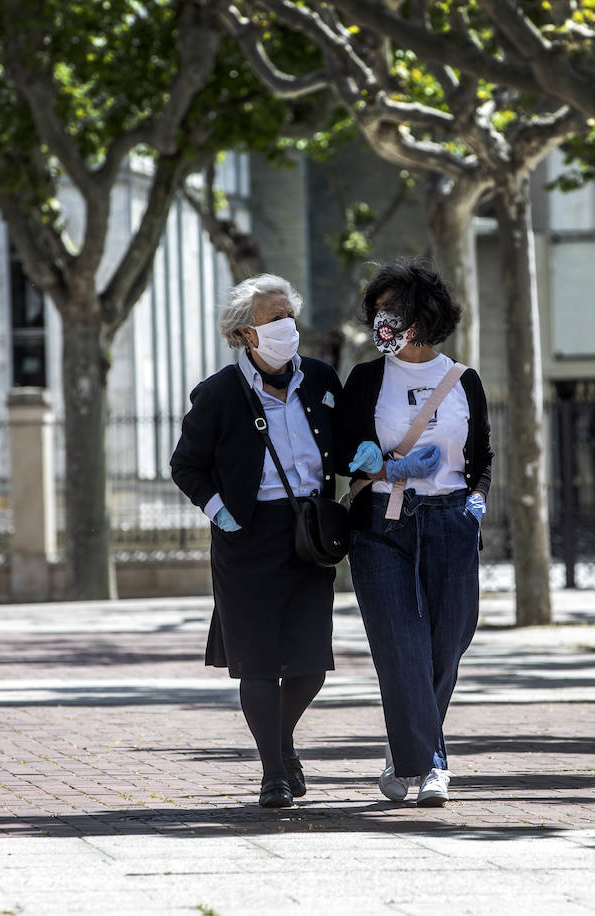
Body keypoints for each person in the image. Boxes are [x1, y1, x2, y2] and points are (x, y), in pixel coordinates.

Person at [170, 274, 343, 809]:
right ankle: (273, 773)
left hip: (306, 535)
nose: (287, 327)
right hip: (245, 539)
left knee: (311, 665)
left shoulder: (319, 379)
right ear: (246, 333)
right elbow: (186, 465)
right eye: (274, 319)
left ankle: (280, 740)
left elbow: (346, 440)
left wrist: (359, 460)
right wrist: (219, 511)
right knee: (259, 663)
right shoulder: (219, 392)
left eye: (290, 315)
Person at [337, 258, 492, 807]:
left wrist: (476, 499)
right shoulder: (366, 379)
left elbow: (482, 458)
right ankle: (429, 766)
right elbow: (343, 454)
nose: (383, 323)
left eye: (394, 312)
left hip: (451, 521)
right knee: (401, 646)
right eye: (378, 313)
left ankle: (406, 746)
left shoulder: (462, 381)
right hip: (383, 524)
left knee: (448, 643)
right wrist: (385, 467)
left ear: (423, 318)